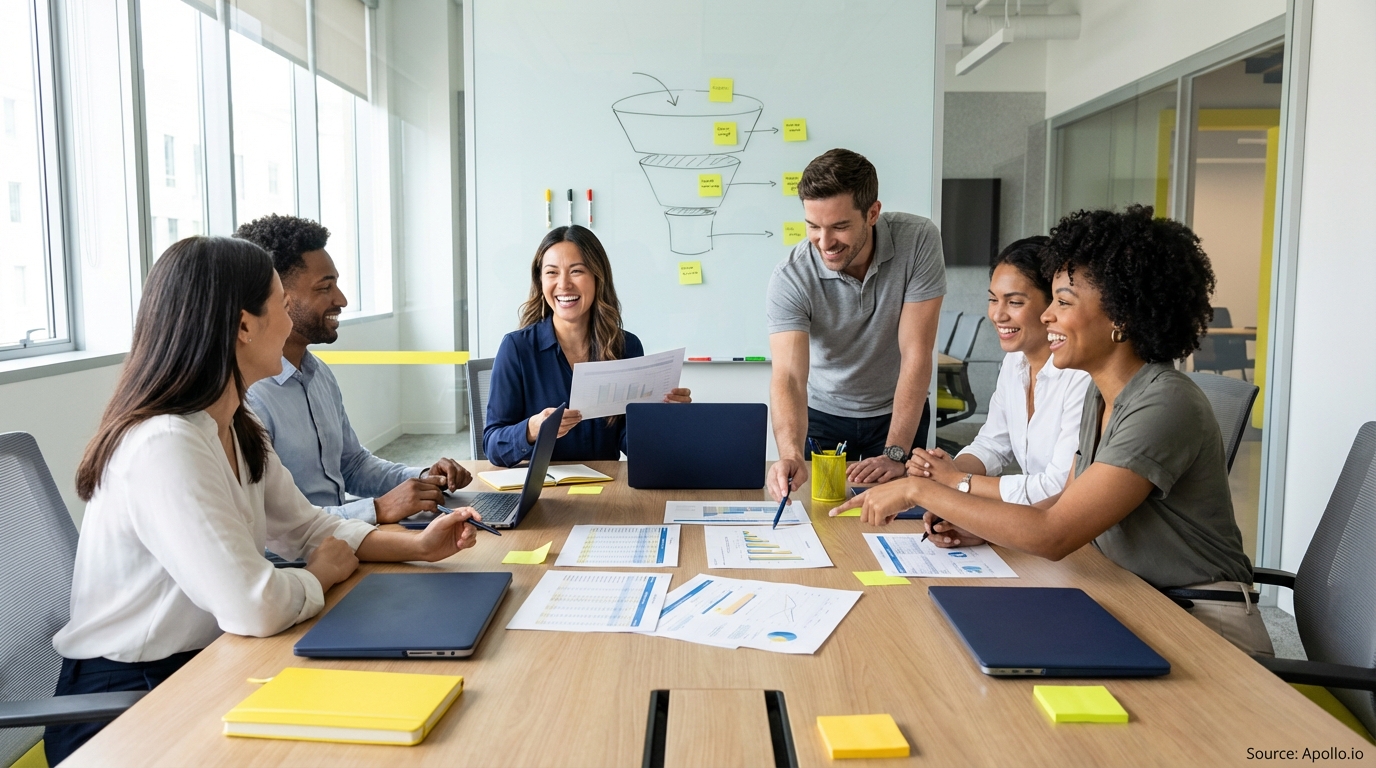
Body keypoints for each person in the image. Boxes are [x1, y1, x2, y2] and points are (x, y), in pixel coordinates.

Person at [47, 237, 484, 764]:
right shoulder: (165, 443)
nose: (289, 323)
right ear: (243, 325)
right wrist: (320, 573)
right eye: (279, 304)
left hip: (206, 661)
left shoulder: (235, 424)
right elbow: (251, 604)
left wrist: (418, 548)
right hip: (127, 704)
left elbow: (307, 528)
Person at [838, 205, 1272, 656]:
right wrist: (983, 527)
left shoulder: (1164, 403)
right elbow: (1061, 502)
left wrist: (921, 491)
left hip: (1202, 619)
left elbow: (1053, 532)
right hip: (1131, 592)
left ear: (1121, 316)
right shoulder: (1101, 395)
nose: (1047, 317)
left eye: (1063, 302)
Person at [236, 214, 471, 525]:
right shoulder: (248, 398)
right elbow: (270, 526)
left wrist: (424, 477)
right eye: (325, 288)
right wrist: (377, 510)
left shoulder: (317, 373)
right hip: (300, 562)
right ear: (280, 298)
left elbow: (353, 465)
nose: (342, 299)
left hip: (345, 541)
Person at [766, 148, 946, 499]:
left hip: (897, 410)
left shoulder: (918, 240)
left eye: (840, 226)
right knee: (824, 517)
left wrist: (895, 452)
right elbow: (788, 376)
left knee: (895, 519)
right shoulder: (791, 277)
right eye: (813, 226)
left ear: (872, 213)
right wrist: (789, 453)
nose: (825, 241)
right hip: (824, 414)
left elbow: (916, 354)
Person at [904, 236, 1091, 515]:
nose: (998, 315)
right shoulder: (1015, 361)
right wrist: (945, 469)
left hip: (1063, 527)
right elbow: (993, 443)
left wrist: (958, 482)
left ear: (1053, 304)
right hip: (1035, 520)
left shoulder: (1082, 377)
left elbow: (1058, 487)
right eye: (993, 300)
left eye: (1014, 302)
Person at [484, 225, 691, 467]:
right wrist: (532, 428)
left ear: (597, 277)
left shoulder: (626, 346)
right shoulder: (516, 348)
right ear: (540, 281)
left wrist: (663, 417)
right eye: (552, 273)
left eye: (576, 271)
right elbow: (492, 445)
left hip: (607, 490)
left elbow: (631, 442)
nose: (563, 284)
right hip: (544, 492)